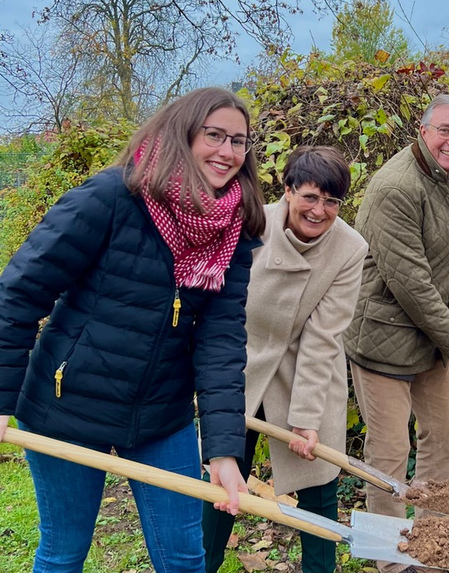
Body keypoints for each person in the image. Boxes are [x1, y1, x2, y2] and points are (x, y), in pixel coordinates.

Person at [0, 87, 266, 572]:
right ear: (182, 133)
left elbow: (221, 341)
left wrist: (223, 450)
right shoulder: (111, 196)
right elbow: (19, 293)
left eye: (238, 141)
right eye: (214, 135)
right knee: (63, 552)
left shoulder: (233, 228)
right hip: (67, 405)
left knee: (184, 558)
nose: (227, 152)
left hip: (161, 413)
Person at [202, 146, 368, 573]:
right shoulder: (251, 223)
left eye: (331, 201)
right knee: (222, 481)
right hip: (241, 364)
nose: (319, 211)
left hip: (307, 372)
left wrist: (306, 417)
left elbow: (323, 337)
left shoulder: (350, 248)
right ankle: (201, 564)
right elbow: (219, 305)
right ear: (289, 190)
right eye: (310, 197)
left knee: (317, 484)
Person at [343, 94, 449, 573]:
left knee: (443, 435)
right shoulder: (395, 187)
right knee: (389, 453)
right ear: (423, 132)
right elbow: (411, 282)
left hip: (429, 338)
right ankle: (391, 561)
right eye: (444, 130)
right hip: (382, 337)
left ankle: (432, 547)